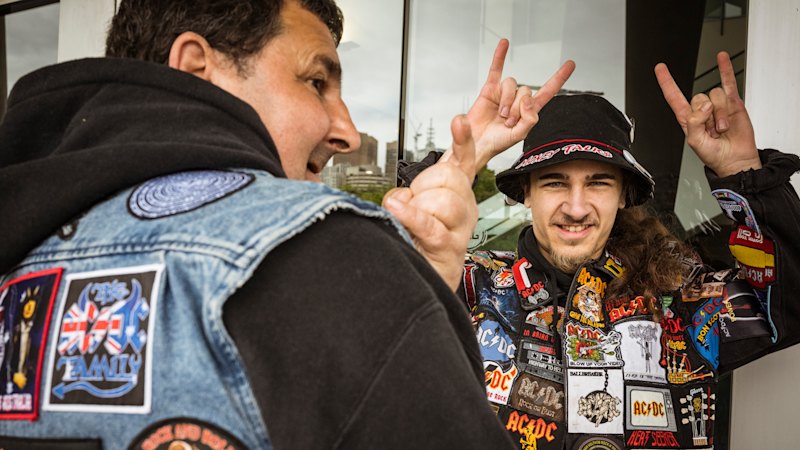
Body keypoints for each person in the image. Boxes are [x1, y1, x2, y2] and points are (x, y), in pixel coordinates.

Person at [0, 0, 577, 449]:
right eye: (316, 82)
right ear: (197, 71)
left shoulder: (25, 248)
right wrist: (400, 290)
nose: (347, 132)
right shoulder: (326, 258)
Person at [398, 51, 800, 450]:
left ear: (625, 195)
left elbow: (789, 306)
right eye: (555, 183)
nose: (576, 207)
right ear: (526, 194)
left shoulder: (677, 300)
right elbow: (372, 311)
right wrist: (460, 165)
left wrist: (745, 173)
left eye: (598, 183)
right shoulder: (469, 288)